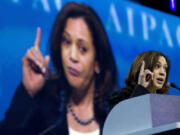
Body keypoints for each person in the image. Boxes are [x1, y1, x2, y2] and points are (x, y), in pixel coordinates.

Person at [0, 2, 117, 135]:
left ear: (97, 62)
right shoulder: (44, 108)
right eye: (66, 42)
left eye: (82, 48)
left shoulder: (116, 114)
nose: (72, 56)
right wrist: (28, 92)